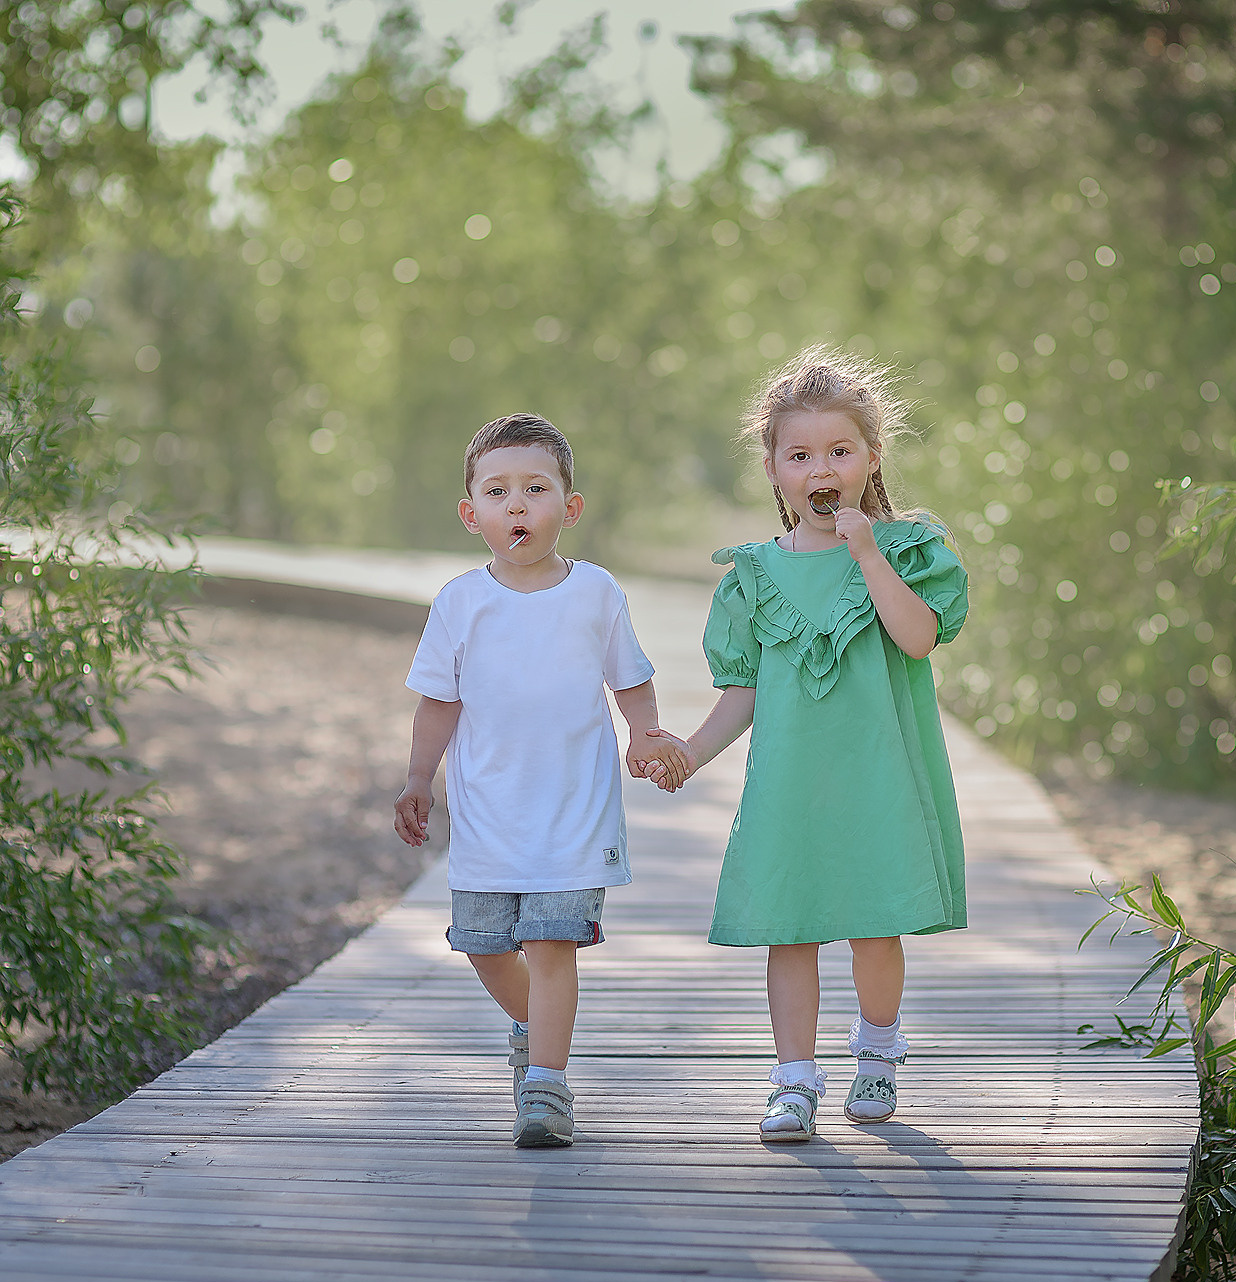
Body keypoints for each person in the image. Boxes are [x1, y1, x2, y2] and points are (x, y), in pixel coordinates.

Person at [656, 348, 969, 1141]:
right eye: (800, 455)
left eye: (839, 451)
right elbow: (744, 695)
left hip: (877, 777)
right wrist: (691, 751)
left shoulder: (906, 550)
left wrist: (867, 553)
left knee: (874, 922)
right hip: (791, 783)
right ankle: (793, 1079)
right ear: (773, 468)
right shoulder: (755, 575)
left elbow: (919, 638)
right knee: (790, 928)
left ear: (870, 460)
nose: (820, 468)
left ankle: (877, 1051)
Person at [394, 413, 691, 1148]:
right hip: (488, 816)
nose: (517, 505)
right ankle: (533, 1031)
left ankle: (547, 1088)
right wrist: (416, 778)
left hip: (573, 812)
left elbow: (632, 680)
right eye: (497, 492)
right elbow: (438, 703)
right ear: (472, 514)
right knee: (485, 944)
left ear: (570, 506)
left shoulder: (594, 592)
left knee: (553, 943)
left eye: (535, 488)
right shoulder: (461, 602)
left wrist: (642, 735)